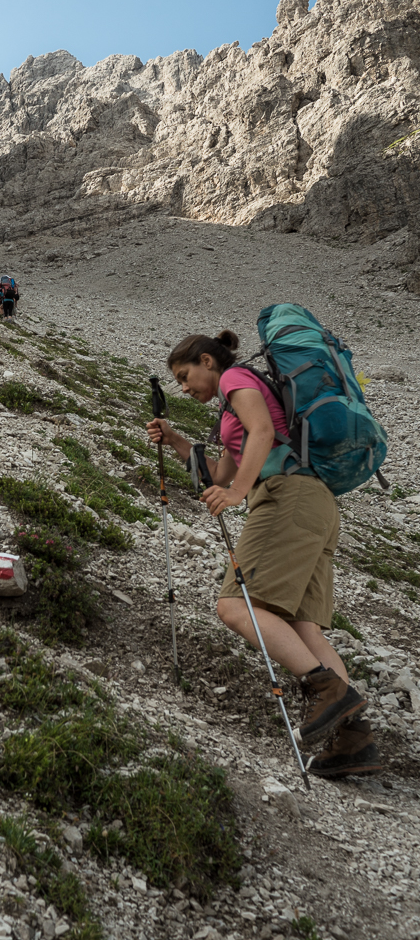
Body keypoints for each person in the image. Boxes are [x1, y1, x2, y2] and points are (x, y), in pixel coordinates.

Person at [146, 330, 381, 779]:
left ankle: (326, 693)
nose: (183, 387)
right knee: (300, 627)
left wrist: (236, 493)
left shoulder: (236, 379)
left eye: (185, 375)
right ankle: (354, 740)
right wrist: (176, 440)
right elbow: (216, 472)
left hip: (287, 499)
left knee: (235, 606)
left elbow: (263, 432)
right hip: (315, 504)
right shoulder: (231, 406)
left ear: (207, 362)